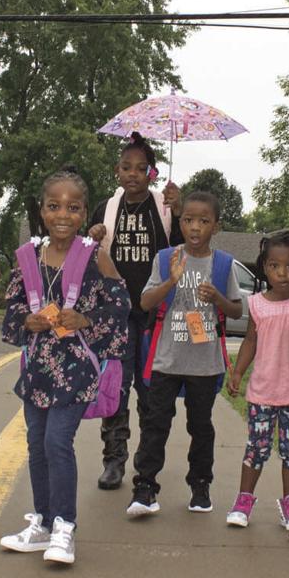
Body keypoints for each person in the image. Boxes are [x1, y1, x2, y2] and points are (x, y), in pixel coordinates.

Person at [0, 167, 129, 565]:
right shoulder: (27, 258)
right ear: (41, 211)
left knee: (58, 442)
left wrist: (86, 320)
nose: (62, 215)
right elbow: (14, 307)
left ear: (85, 212)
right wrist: (27, 320)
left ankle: (65, 527)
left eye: (73, 208)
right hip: (38, 366)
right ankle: (40, 522)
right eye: (54, 206)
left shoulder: (96, 258)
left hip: (75, 367)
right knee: (36, 444)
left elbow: (121, 304)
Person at [126, 191, 242, 517]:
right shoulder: (166, 259)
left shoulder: (222, 264)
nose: (195, 227)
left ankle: (200, 485)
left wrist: (218, 297)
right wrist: (171, 281)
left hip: (204, 363)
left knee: (201, 426)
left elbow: (235, 311)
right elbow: (146, 302)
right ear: (180, 221)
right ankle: (145, 488)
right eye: (189, 220)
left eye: (204, 221)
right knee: (155, 423)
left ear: (216, 226)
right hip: (168, 358)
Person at [86, 132, 183, 491]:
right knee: (115, 385)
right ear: (117, 171)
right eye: (126, 167)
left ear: (152, 173)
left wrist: (181, 206)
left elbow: (181, 250)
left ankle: (146, 462)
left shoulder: (164, 206)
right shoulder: (107, 208)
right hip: (115, 313)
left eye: (141, 169)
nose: (132, 174)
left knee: (151, 390)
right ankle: (113, 459)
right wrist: (93, 234)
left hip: (153, 314)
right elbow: (88, 253)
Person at [225, 232, 289, 530]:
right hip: (263, 393)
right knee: (257, 449)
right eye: (275, 266)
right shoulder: (256, 304)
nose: (283, 273)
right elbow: (250, 341)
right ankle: (243, 501)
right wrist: (238, 371)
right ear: (264, 268)